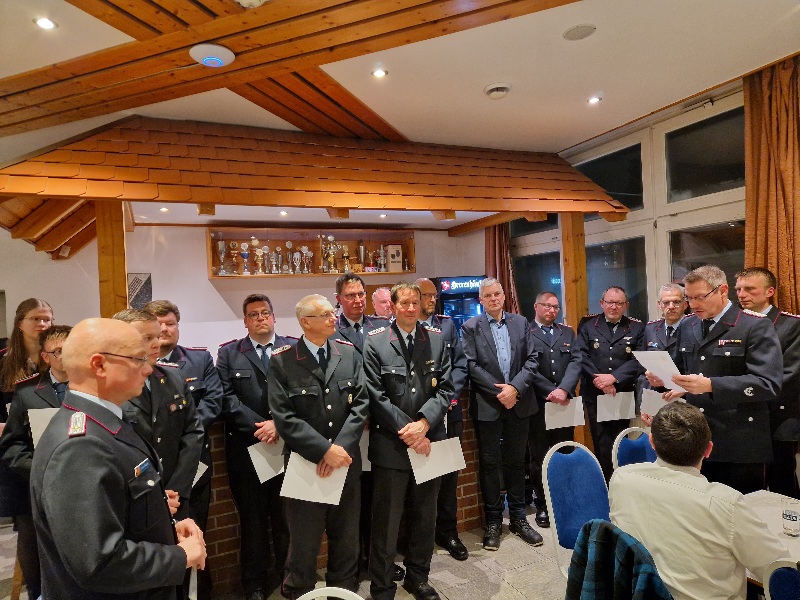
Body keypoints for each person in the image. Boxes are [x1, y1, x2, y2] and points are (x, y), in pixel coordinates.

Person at [30, 318, 206, 600]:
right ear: (99, 365)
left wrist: (165, 528)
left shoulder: (104, 421)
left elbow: (117, 512)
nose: (148, 369)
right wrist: (178, 556)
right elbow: (98, 561)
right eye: (137, 359)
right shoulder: (80, 447)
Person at [609, 402, 789, 600]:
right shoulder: (727, 503)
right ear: (708, 449)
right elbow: (778, 568)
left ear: (651, 442)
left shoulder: (621, 479)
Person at [646, 265, 783, 494]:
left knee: (739, 510)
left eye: (700, 297)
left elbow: (768, 384)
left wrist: (711, 385)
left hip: (738, 442)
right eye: (689, 298)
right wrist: (664, 379)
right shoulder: (688, 324)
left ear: (722, 290)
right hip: (694, 441)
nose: (693, 304)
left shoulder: (754, 325)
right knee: (697, 510)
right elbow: (681, 370)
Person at [268, 295, 369, 599]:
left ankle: (343, 592)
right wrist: (324, 450)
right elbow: (284, 417)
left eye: (331, 312)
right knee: (303, 545)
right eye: (324, 314)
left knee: (347, 541)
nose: (332, 318)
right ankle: (299, 593)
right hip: (305, 466)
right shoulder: (283, 360)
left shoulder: (348, 354)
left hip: (345, 464)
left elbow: (361, 405)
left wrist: (339, 449)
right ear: (305, 322)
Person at [363, 282, 453, 600]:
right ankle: (382, 585)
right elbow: (374, 395)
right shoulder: (375, 342)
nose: (412, 308)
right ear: (393, 306)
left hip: (429, 441)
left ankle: (418, 577)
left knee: (425, 517)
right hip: (392, 444)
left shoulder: (436, 339)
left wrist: (424, 424)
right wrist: (411, 431)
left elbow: (446, 387)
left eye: (416, 302)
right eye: (405, 303)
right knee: (386, 522)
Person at [145, 299, 226, 598]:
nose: (164, 329)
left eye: (170, 323)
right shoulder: (135, 370)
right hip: (152, 475)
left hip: (193, 466)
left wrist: (179, 432)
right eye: (158, 324)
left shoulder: (198, 359)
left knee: (196, 535)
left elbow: (213, 402)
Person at [217, 294, 295, 600]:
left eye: (265, 313)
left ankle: (289, 578)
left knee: (286, 520)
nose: (260, 318)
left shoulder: (293, 348)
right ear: (245, 321)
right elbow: (226, 398)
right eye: (253, 314)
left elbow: (303, 392)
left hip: (286, 448)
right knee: (253, 522)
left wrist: (279, 424)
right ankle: (255, 584)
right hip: (247, 451)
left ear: (274, 317)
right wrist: (261, 427)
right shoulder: (229, 353)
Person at [461, 278, 541, 550]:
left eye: (497, 294)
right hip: (489, 404)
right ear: (481, 300)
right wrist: (501, 392)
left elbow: (532, 359)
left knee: (517, 461)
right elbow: (471, 365)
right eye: (488, 296)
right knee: (490, 463)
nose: (493, 299)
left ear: (504, 296)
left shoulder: (520, 323)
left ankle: (518, 518)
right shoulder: (470, 327)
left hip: (519, 402)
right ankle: (494, 521)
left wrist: (515, 389)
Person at [0, 324, 70, 600]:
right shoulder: (28, 392)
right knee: (38, 553)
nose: (66, 356)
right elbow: (12, 446)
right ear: (46, 357)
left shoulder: (94, 387)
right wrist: (39, 470)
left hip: (84, 486)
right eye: (58, 351)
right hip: (39, 486)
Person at [114, 309, 204, 521]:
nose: (156, 344)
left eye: (156, 336)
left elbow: (193, 432)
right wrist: (153, 494)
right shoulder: (111, 385)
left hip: (176, 494)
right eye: (147, 338)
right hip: (135, 500)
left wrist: (176, 488)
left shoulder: (172, 375)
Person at [0, 297, 52, 599]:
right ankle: (37, 592)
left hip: (53, 452)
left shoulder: (57, 358)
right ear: (20, 323)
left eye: (47, 319)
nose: (42, 324)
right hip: (19, 457)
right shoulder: (4, 361)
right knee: (30, 532)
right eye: (36, 318)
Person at [416, 278, 469, 561]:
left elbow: (460, 364)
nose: (431, 300)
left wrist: (447, 397)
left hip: (448, 413)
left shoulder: (446, 326)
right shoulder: (402, 328)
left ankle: (448, 533)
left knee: (449, 477)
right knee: (420, 480)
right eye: (426, 295)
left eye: (433, 295)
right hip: (419, 418)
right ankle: (416, 538)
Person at [734, 267, 800, 497]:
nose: (742, 295)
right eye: (738, 289)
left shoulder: (791, 325)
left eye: (749, 289)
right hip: (741, 418)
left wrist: (739, 391)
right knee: (747, 485)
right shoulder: (736, 324)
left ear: (769, 291)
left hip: (777, 417)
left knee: (782, 484)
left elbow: (789, 374)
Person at [575, 286, 645, 480]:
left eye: (619, 303)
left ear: (626, 305)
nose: (614, 307)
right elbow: (581, 355)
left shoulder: (637, 327)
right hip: (595, 393)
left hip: (621, 392)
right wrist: (600, 380)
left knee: (621, 441)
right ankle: (606, 484)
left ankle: (622, 482)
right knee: (601, 443)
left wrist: (614, 378)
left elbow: (639, 359)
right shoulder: (588, 325)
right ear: (602, 303)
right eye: (610, 302)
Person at [527, 291, 582, 528]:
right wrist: (551, 391)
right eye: (547, 306)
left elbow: (576, 362)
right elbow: (526, 366)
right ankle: (542, 504)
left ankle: (565, 499)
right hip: (539, 403)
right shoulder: (526, 332)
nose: (552, 310)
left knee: (565, 450)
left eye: (556, 307)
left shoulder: (567, 332)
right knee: (539, 455)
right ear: (536, 306)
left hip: (564, 402)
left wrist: (565, 389)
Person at [636, 284, 688, 406]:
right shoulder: (651, 328)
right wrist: (644, 403)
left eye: (676, 302)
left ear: (685, 304)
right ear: (660, 305)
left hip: (683, 397)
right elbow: (642, 371)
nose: (671, 306)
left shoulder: (694, 328)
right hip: (655, 397)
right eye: (666, 303)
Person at [334, 274, 389, 355]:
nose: (358, 300)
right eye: (351, 295)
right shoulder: (332, 330)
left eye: (360, 294)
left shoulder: (382, 326)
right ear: (339, 299)